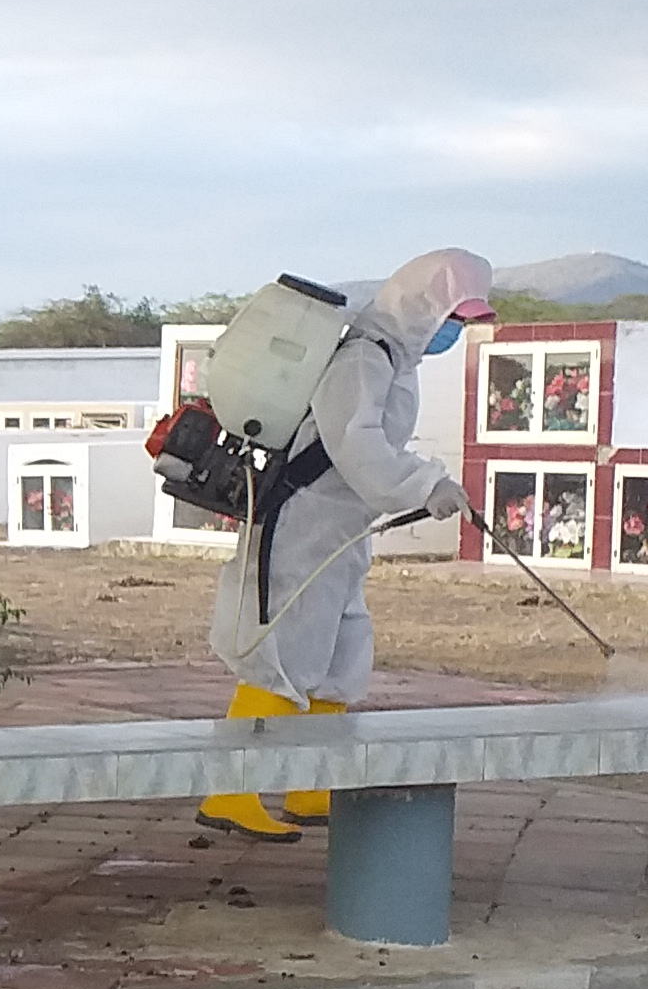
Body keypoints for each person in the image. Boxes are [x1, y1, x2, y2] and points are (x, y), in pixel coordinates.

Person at [198, 246, 492, 843]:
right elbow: (353, 442)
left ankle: (311, 785)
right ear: (424, 306)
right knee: (283, 651)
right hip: (303, 521)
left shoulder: (395, 361)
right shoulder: (364, 356)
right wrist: (423, 484)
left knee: (339, 656)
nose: (455, 332)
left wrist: (422, 484)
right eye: (455, 319)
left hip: (341, 526)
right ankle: (230, 791)